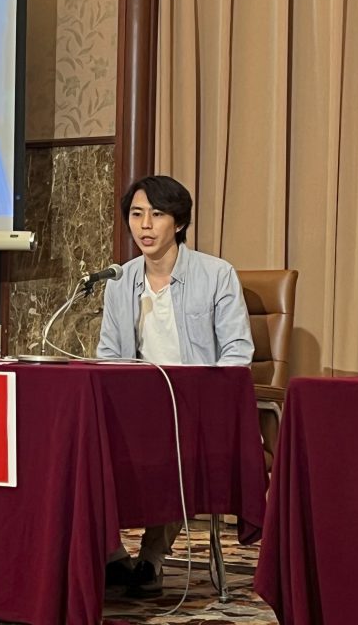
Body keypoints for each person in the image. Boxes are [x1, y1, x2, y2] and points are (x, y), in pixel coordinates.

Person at [97, 174, 254, 595]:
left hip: (194, 407)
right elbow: (108, 354)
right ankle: (112, 555)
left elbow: (238, 351)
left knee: (173, 438)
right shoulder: (119, 280)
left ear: (179, 223)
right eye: (136, 215)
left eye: (157, 214)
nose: (145, 225)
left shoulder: (216, 274)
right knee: (82, 441)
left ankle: (151, 558)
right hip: (135, 405)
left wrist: (207, 394)